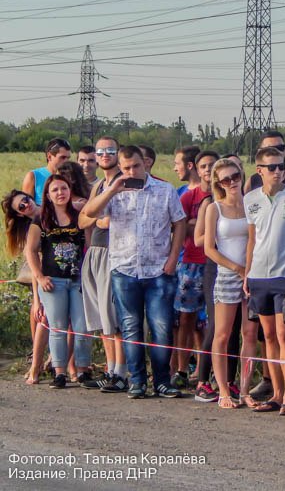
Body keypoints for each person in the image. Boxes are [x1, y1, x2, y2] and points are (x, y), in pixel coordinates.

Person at [82, 145, 186, 399]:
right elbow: (90, 213)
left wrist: (173, 259)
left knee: (160, 327)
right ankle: (137, 381)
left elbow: (179, 222)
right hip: (125, 268)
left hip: (158, 269)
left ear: (145, 164)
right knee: (130, 326)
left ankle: (162, 380)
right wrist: (112, 190)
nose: (131, 171)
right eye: (126, 167)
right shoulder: (113, 191)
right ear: (120, 167)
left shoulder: (165, 190)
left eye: (136, 166)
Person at [244, 146, 285, 415]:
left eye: (282, 166)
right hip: (258, 275)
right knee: (268, 336)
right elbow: (252, 239)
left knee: (284, 334)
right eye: (272, 167)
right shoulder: (250, 199)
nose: (278, 171)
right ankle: (277, 393)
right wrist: (246, 273)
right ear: (260, 171)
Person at [24, 175, 91, 389]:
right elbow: (31, 250)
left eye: (64, 188)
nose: (60, 193)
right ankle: (59, 371)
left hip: (78, 279)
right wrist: (40, 276)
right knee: (58, 327)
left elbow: (88, 246)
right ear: (48, 195)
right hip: (53, 281)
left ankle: (82, 370)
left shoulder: (78, 216)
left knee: (82, 326)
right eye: (55, 190)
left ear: (70, 191)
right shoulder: (41, 219)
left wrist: (89, 276)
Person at [204, 158, 259, 409]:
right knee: (222, 334)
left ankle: (245, 389)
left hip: (252, 274)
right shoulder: (214, 208)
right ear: (219, 183)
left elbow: (255, 239)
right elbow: (208, 248)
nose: (232, 182)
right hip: (227, 274)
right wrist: (236, 268)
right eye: (226, 179)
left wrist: (247, 270)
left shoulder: (252, 204)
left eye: (235, 176)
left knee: (249, 333)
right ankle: (223, 389)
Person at [77, 136, 128, 392]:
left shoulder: (125, 182)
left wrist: (97, 218)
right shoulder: (98, 186)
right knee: (100, 319)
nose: (105, 154)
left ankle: (122, 372)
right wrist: (97, 219)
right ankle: (109, 369)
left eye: (110, 150)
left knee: (114, 318)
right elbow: (83, 220)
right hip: (95, 251)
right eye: (101, 151)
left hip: (115, 253)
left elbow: (116, 220)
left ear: (118, 154)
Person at [172, 149, 218, 390]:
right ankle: (181, 368)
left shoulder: (227, 195)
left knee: (211, 323)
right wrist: (195, 224)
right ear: (196, 170)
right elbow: (177, 225)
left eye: (213, 165)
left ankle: (205, 371)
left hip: (218, 264)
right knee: (186, 318)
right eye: (204, 166)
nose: (208, 170)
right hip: (191, 262)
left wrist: (197, 225)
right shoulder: (190, 197)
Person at [2, 189, 47, 385]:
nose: (26, 204)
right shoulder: (31, 229)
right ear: (20, 213)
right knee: (42, 316)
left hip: (65, 273)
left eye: (26, 200)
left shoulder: (51, 211)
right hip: (43, 276)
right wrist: (37, 299)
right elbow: (37, 262)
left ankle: (59, 363)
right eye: (21, 206)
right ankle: (35, 365)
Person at [22, 137, 72, 205]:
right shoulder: (33, 176)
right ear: (49, 156)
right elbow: (27, 207)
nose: (66, 161)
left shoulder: (71, 176)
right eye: (62, 157)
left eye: (68, 158)